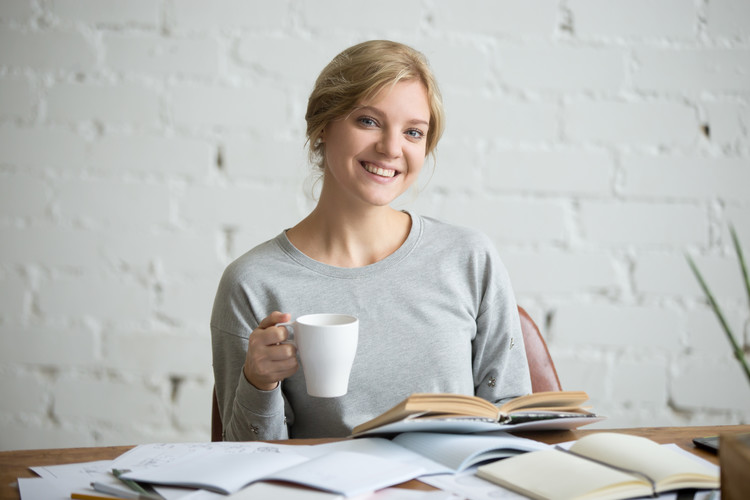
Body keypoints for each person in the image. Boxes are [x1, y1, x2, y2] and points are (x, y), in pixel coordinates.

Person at [211, 40, 532, 441]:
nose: (391, 148)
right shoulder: (252, 283)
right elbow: (246, 460)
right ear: (322, 126)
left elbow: (513, 418)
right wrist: (258, 383)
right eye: (368, 121)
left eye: (413, 132)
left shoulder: (469, 257)